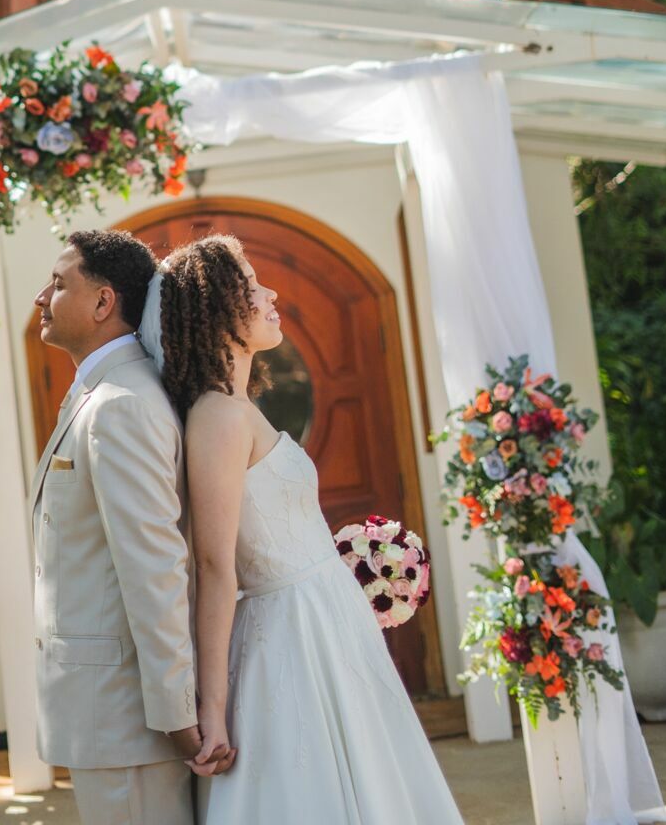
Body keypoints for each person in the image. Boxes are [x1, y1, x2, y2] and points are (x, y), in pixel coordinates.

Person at [145, 232, 466, 825]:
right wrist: (210, 707)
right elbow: (214, 566)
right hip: (289, 632)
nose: (270, 294)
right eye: (250, 285)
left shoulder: (239, 406)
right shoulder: (217, 417)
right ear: (216, 309)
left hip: (326, 617)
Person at [30, 228, 232, 825]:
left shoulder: (120, 405)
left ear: (103, 301)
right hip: (105, 719)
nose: (41, 297)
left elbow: (155, 569)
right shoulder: (99, 394)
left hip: (128, 722)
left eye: (58, 283)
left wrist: (176, 714)